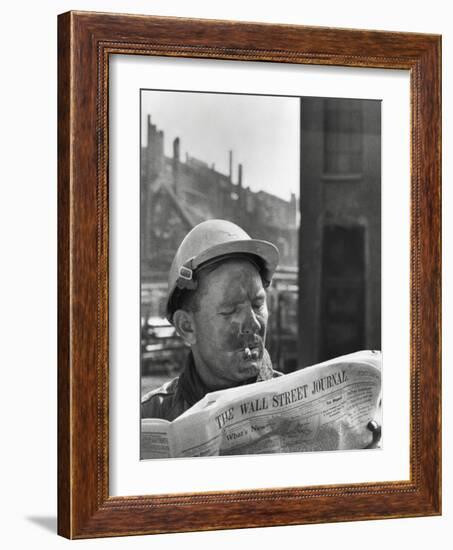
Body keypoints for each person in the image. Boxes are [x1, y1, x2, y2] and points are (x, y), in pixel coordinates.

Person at [141, 219, 282, 422]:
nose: (254, 324)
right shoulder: (149, 419)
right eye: (231, 310)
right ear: (187, 326)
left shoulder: (304, 412)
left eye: (257, 304)